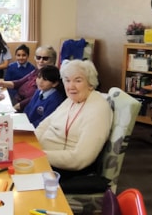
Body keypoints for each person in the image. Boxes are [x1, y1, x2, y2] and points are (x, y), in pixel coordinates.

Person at [34, 59, 113, 188]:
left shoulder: (98, 109)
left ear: (91, 83)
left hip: (65, 171)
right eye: (67, 80)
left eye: (78, 80)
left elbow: (80, 159)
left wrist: (38, 155)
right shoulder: (71, 100)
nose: (71, 86)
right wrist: (32, 145)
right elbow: (45, 124)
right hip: (44, 158)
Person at [0, 46, 57, 112]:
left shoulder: (51, 78)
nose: (40, 61)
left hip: (24, 107)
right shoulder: (36, 71)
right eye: (38, 58)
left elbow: (36, 97)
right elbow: (19, 82)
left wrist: (17, 106)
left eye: (45, 58)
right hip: (16, 99)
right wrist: (2, 83)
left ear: (52, 60)